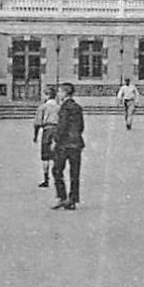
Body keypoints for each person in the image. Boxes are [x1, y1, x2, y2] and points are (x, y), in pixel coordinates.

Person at [51, 82, 85, 211]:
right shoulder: (77, 107)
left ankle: (62, 197)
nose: (58, 94)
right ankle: (73, 199)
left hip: (64, 144)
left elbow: (62, 126)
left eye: (60, 91)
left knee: (57, 170)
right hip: (76, 143)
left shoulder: (65, 108)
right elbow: (81, 126)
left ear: (65, 93)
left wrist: (56, 140)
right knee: (74, 173)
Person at [33, 84, 60, 188]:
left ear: (47, 95)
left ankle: (46, 179)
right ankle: (57, 178)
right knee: (56, 155)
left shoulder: (43, 107)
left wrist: (35, 136)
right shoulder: (59, 107)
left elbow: (37, 123)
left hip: (47, 130)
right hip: (57, 130)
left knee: (45, 156)